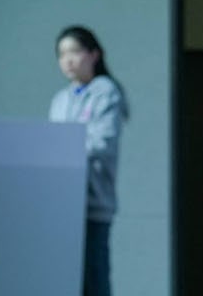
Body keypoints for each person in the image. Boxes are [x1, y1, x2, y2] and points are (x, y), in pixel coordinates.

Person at [49, 25, 129, 296]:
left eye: (74, 52)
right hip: (63, 204)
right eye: (62, 54)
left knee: (94, 279)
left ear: (94, 54)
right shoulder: (60, 99)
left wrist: (63, 151)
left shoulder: (106, 92)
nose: (68, 60)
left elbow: (102, 142)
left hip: (92, 203)